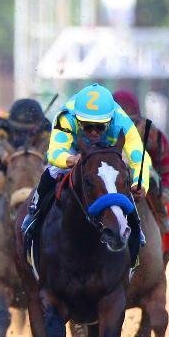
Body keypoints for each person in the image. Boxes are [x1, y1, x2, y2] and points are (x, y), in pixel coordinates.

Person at [21, 83, 149, 268]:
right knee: (52, 171)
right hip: (75, 147)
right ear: (77, 119)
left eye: (99, 127)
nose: (93, 132)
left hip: (108, 148)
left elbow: (140, 159)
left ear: (110, 120)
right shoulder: (66, 117)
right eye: (87, 126)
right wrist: (72, 159)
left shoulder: (122, 122)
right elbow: (54, 154)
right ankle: (34, 212)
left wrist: (140, 183)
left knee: (119, 177)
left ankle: (135, 226)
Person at [113, 89, 169, 254]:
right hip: (110, 177)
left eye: (130, 121)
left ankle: (162, 224)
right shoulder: (98, 130)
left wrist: (164, 191)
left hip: (139, 179)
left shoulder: (149, 132)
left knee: (153, 188)